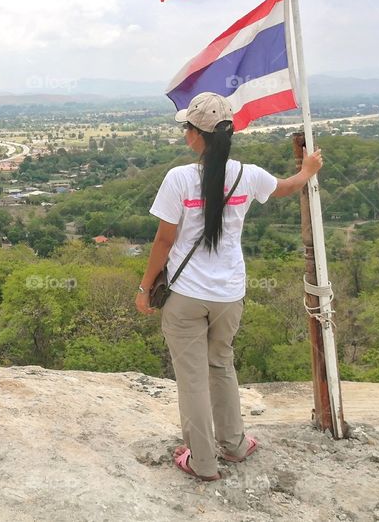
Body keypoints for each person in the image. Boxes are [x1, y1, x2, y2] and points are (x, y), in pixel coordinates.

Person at [134, 92, 323, 481]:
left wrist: (144, 288)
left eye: (187, 127)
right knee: (221, 365)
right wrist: (308, 170)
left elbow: (164, 242)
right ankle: (235, 445)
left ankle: (202, 462)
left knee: (191, 378)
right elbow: (286, 187)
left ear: (193, 135)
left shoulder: (180, 179)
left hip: (186, 295)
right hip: (229, 294)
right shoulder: (248, 175)